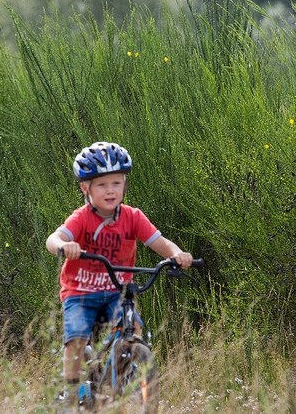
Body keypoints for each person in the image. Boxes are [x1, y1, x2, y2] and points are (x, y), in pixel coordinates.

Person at [44, 141, 193, 406]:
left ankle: (126, 371)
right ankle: (70, 393)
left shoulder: (133, 217)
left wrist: (177, 255)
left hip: (117, 290)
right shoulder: (81, 218)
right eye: (101, 185)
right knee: (76, 338)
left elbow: (161, 243)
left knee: (132, 327)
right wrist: (64, 246)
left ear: (125, 184)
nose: (110, 190)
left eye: (116, 183)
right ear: (85, 188)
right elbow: (53, 238)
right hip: (80, 291)